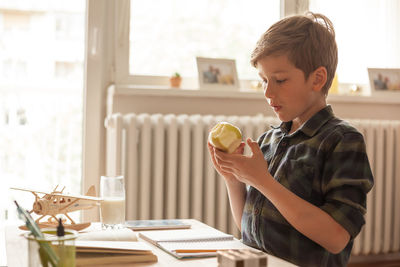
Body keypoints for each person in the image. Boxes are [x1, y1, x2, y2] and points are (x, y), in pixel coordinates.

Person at [207, 12, 374, 267]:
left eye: (280, 80)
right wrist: (233, 178)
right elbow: (248, 228)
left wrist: (262, 181)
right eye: (263, 80)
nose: (267, 92)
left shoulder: (343, 141)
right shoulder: (268, 139)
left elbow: (336, 238)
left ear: (317, 79)